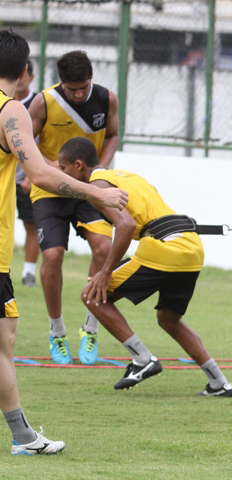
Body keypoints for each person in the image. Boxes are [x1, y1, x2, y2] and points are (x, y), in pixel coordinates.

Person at [0, 28, 128, 454]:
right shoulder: (15, 109)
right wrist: (98, 192)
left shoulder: (103, 100)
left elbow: (109, 135)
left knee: (5, 337)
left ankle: (23, 436)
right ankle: (24, 435)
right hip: (32, 214)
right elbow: (38, 173)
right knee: (5, 338)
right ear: (23, 72)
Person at [58, 137, 232, 397]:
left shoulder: (97, 187)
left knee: (91, 294)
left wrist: (105, 272)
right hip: (191, 247)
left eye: (63, 169)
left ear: (78, 165)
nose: (63, 175)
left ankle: (142, 359)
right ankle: (219, 383)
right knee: (169, 319)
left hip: (164, 248)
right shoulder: (127, 175)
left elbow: (127, 225)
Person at [28, 50, 120, 366]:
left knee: (104, 248)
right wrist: (50, 169)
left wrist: (101, 172)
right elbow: (24, 144)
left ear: (91, 79)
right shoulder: (43, 102)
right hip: (50, 189)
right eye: (72, 89)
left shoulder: (107, 99)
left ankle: (91, 329)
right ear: (61, 83)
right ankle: (57, 332)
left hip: (87, 189)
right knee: (52, 256)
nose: (79, 94)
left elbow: (113, 135)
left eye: (83, 87)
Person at [13, 59, 38, 287]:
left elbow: (42, 142)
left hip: (24, 179)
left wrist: (32, 174)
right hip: (4, 177)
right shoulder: (5, 101)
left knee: (31, 224)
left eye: (24, 76)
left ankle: (29, 272)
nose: (19, 81)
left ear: (30, 76)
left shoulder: (38, 104)